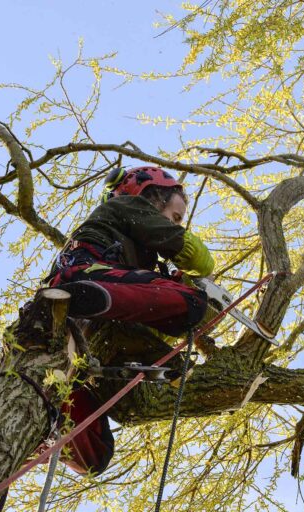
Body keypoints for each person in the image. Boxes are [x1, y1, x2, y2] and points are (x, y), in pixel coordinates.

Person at [41, 166, 214, 476]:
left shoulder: (136, 258)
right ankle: (93, 295)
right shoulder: (126, 207)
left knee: (94, 458)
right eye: (174, 216)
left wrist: (166, 283)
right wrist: (192, 276)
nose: (175, 224)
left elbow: (145, 311)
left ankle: (44, 427)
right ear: (152, 196)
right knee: (192, 303)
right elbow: (196, 257)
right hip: (84, 276)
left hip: (76, 341)